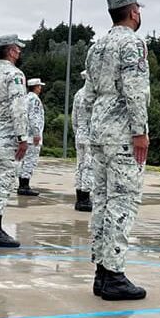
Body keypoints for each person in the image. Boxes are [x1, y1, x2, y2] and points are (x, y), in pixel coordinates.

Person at [85, 0, 150, 301]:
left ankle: (101, 271)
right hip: (122, 133)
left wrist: (88, 131)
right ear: (134, 12)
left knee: (102, 201)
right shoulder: (132, 43)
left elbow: (87, 96)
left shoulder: (97, 47)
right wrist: (140, 131)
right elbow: (135, 90)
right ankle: (114, 274)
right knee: (123, 203)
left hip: (99, 134)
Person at [0, 34, 29, 248]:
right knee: (4, 181)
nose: (19, 52)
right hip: (7, 135)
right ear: (10, 51)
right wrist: (22, 137)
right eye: (17, 49)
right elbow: (18, 107)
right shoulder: (14, 74)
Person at [16, 78, 45, 196]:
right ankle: (25, 185)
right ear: (36, 87)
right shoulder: (35, 100)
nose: (40, 88)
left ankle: (22, 184)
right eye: (39, 86)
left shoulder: (26, 98)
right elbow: (34, 117)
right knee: (30, 161)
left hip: (26, 135)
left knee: (24, 161)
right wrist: (37, 133)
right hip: (32, 137)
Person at [71, 70, 93, 212]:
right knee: (89, 167)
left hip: (80, 134)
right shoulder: (93, 95)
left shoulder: (78, 94)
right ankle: (85, 197)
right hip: (91, 135)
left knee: (80, 166)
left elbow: (74, 117)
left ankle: (79, 196)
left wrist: (77, 132)